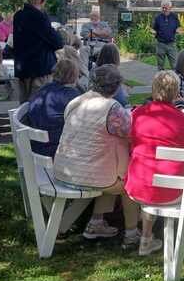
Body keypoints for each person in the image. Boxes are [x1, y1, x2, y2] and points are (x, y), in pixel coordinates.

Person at [53, 65, 141, 247]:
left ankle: (96, 223)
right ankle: (132, 234)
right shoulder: (112, 108)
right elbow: (131, 133)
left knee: (110, 172)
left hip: (63, 170)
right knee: (128, 183)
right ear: (117, 87)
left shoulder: (76, 102)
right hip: (87, 175)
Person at [125, 70, 184, 256]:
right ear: (176, 93)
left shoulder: (138, 114)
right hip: (172, 190)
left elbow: (130, 142)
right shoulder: (183, 120)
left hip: (139, 186)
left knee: (152, 180)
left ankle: (146, 238)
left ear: (153, 89)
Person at [13, 0, 64, 103]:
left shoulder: (18, 15)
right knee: (38, 108)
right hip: (39, 69)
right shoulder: (38, 16)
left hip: (23, 69)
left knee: (24, 106)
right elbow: (57, 42)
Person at [26, 59, 81, 157]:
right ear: (74, 75)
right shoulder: (72, 95)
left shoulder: (42, 90)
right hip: (57, 151)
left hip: (34, 147)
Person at [152, 0, 182, 71]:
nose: (164, 9)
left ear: (170, 8)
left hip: (171, 44)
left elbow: (179, 27)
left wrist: (178, 31)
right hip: (160, 44)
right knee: (160, 66)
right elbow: (154, 29)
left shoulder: (174, 16)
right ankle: (161, 81)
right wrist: (153, 33)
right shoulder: (157, 17)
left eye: (166, 8)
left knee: (175, 65)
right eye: (163, 8)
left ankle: (176, 80)